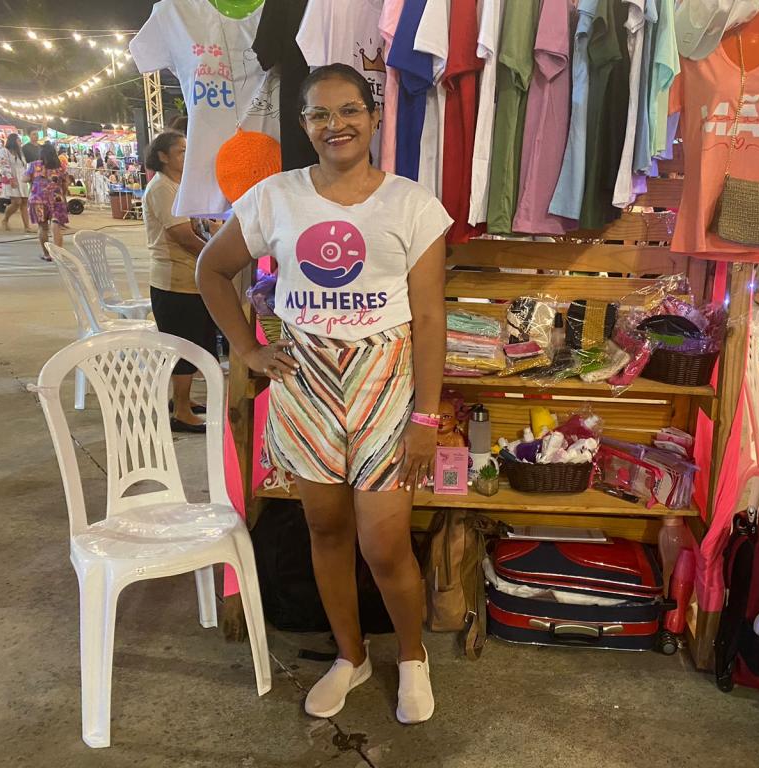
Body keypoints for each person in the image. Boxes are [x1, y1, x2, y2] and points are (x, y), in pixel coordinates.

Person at [197, 63, 451, 725]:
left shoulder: (412, 205)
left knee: (384, 543)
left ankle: (413, 657)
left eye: (349, 111)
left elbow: (430, 318)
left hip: (386, 385)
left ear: (373, 118)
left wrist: (426, 417)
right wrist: (250, 350)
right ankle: (350, 656)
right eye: (319, 114)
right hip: (304, 383)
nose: (335, 124)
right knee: (325, 529)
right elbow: (211, 271)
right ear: (304, 124)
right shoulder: (275, 197)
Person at [141, 130, 214, 433]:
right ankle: (182, 411)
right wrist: (215, 257)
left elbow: (200, 224)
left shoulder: (179, 185)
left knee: (195, 342)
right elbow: (183, 236)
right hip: (175, 281)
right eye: (181, 151)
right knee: (184, 346)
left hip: (189, 278)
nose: (187, 155)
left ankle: (183, 400)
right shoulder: (162, 188)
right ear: (163, 156)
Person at [24, 143, 69, 261]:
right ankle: (58, 255)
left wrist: (35, 178)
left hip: (38, 199)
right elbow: (66, 182)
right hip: (56, 198)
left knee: (42, 227)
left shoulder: (34, 165)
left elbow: (25, 179)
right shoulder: (60, 167)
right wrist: (63, 194)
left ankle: (47, 254)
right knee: (56, 224)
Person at [0, 134, 33, 233]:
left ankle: (27, 226)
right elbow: (3, 165)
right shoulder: (4, 151)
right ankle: (5, 219)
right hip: (11, 178)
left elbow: (24, 166)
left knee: (24, 202)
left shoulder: (20, 152)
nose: (20, 142)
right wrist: (10, 178)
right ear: (13, 141)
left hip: (22, 179)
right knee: (16, 202)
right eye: (18, 140)